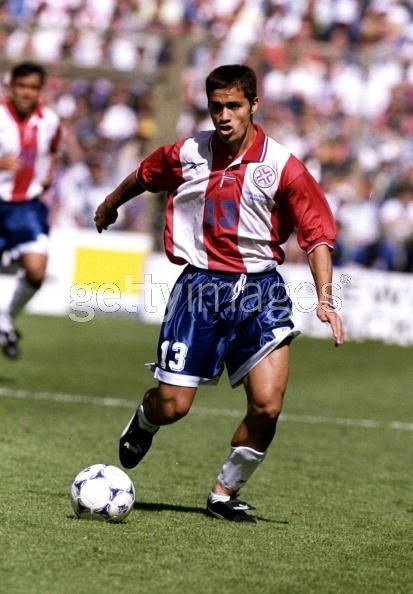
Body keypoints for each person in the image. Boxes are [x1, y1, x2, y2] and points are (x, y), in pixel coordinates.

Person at [94, 64, 344, 523]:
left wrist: (325, 298)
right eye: (216, 107)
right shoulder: (189, 153)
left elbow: (317, 235)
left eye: (233, 106)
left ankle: (223, 493)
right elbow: (144, 175)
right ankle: (146, 419)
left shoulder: (281, 166)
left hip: (261, 292)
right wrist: (110, 203)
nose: (224, 116)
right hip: (200, 290)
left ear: (253, 105)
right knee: (174, 406)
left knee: (268, 406)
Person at [0, 61, 61, 359]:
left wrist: (48, 174)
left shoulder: (50, 120)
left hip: (27, 207)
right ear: (11, 88)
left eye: (33, 88)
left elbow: (52, 152)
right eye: (21, 87)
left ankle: (5, 318)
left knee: (36, 271)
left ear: (40, 91)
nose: (26, 93)